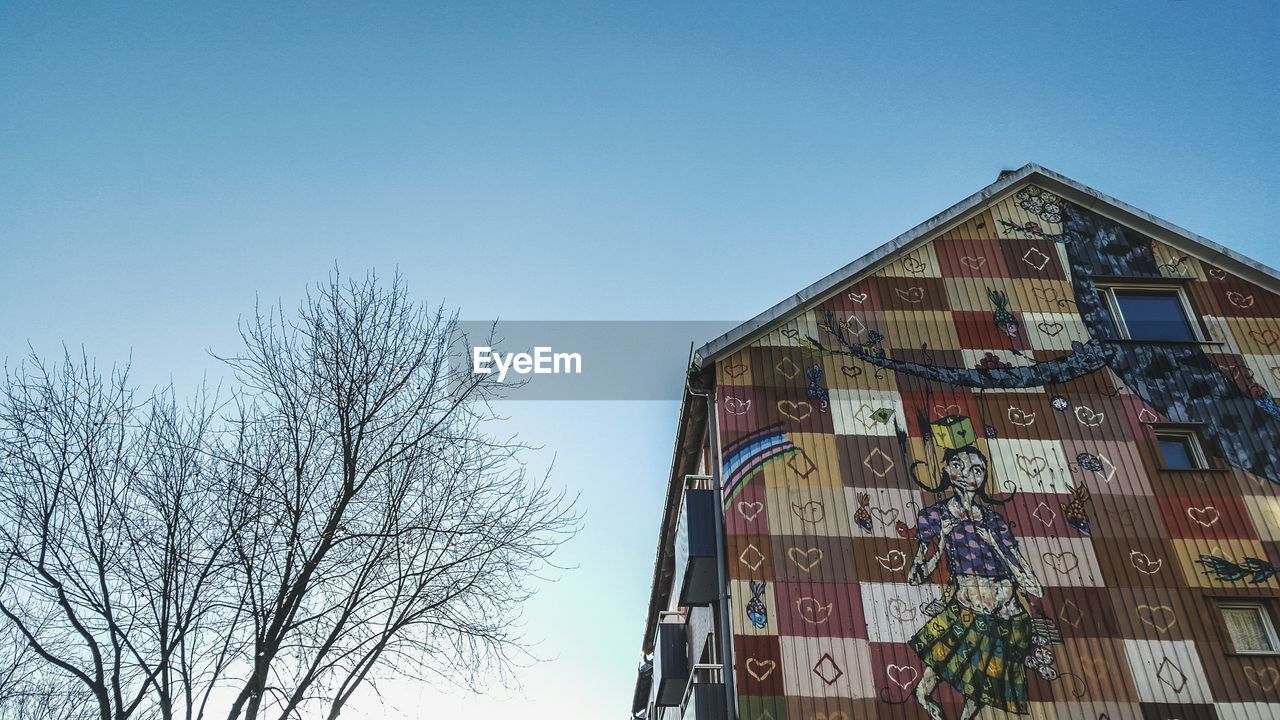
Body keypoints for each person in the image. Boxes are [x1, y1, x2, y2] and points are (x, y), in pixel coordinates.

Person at [906, 445, 1050, 720]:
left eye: (977, 469)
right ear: (946, 468)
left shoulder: (994, 522)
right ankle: (923, 698)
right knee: (940, 664)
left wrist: (994, 543)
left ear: (983, 477)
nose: (966, 474)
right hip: (967, 609)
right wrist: (944, 540)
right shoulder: (934, 517)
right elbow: (916, 576)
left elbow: (1033, 585)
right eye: (958, 465)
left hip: (1006, 617)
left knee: (982, 687)